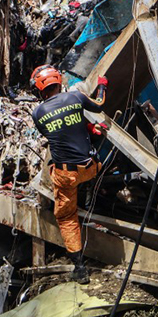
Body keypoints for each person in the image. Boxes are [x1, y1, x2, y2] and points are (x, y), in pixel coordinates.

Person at [31, 65, 107, 283]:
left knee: (65, 216)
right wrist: (102, 85)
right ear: (59, 81)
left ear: (39, 89)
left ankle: (80, 268)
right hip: (92, 168)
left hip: (67, 176)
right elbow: (100, 105)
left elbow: (56, 133)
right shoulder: (75, 97)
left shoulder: (38, 113)